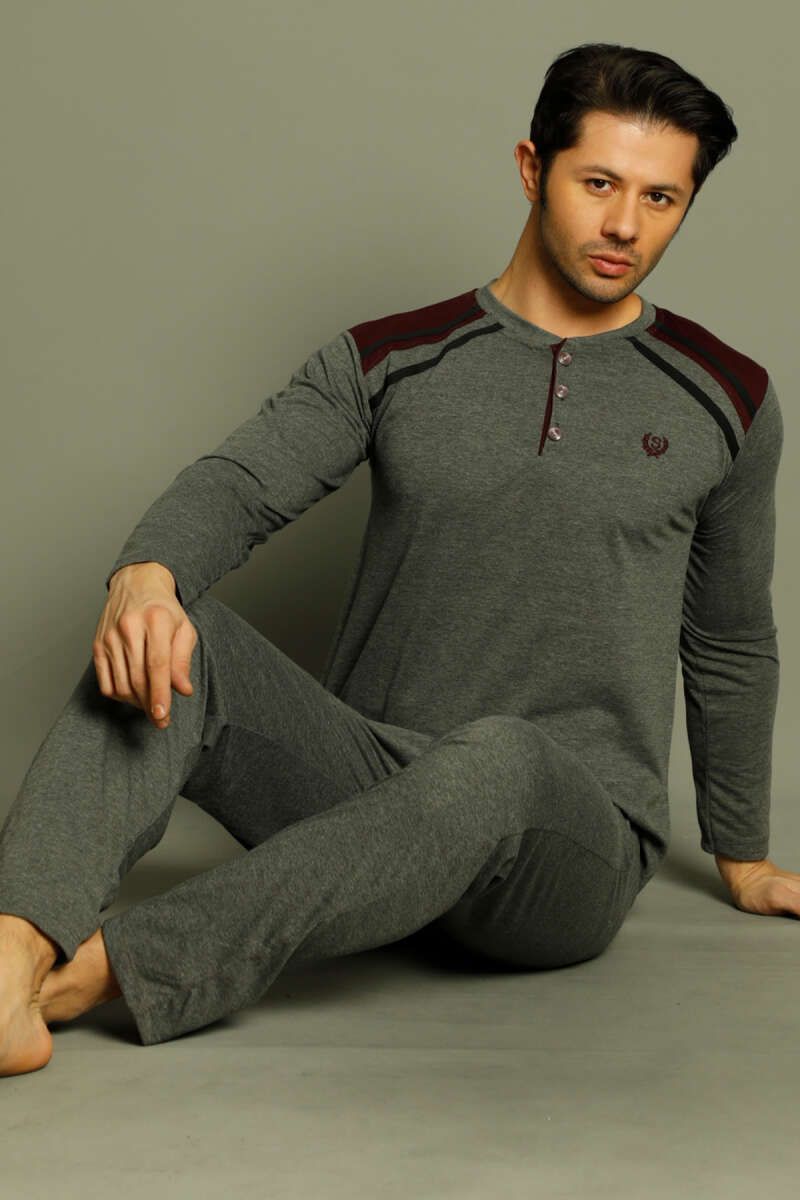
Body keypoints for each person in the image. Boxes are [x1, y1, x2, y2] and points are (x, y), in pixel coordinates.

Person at [2, 41, 798, 1079]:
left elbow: (728, 634)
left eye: (661, 198)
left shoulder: (726, 395)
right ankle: (12, 960)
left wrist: (741, 854)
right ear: (532, 168)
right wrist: (145, 575)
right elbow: (241, 480)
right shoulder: (392, 357)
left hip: (567, 847)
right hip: (365, 800)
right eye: (599, 183)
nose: (624, 226)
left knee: (500, 758)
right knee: (174, 631)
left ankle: (111, 972)